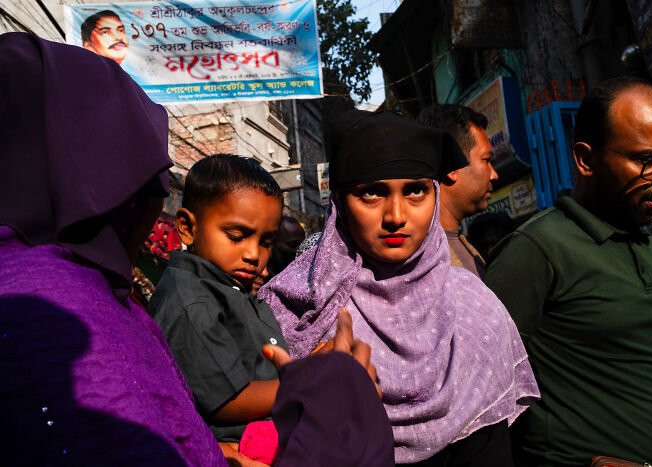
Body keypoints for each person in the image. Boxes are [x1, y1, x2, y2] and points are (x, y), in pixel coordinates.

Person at [0, 32, 392, 467]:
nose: (153, 196)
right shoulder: (50, 312)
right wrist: (324, 394)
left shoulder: (89, 295)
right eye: (144, 174)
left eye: (265, 242)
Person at [260, 110, 539, 465]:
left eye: (416, 191)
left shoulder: (477, 307)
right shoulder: (297, 306)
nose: (396, 215)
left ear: (435, 195)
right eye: (372, 193)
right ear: (341, 204)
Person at [485, 76, 652, 466]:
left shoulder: (646, 244)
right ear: (586, 159)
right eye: (649, 160)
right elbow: (477, 392)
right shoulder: (536, 251)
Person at [148, 154, 289, 444]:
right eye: (237, 236)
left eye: (265, 242)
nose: (253, 255)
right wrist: (307, 386)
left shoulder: (230, 287)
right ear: (188, 227)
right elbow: (227, 401)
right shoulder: (191, 300)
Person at [417, 104, 498, 277]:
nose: (494, 175)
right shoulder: (423, 260)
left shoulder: (462, 246)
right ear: (452, 166)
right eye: (486, 160)